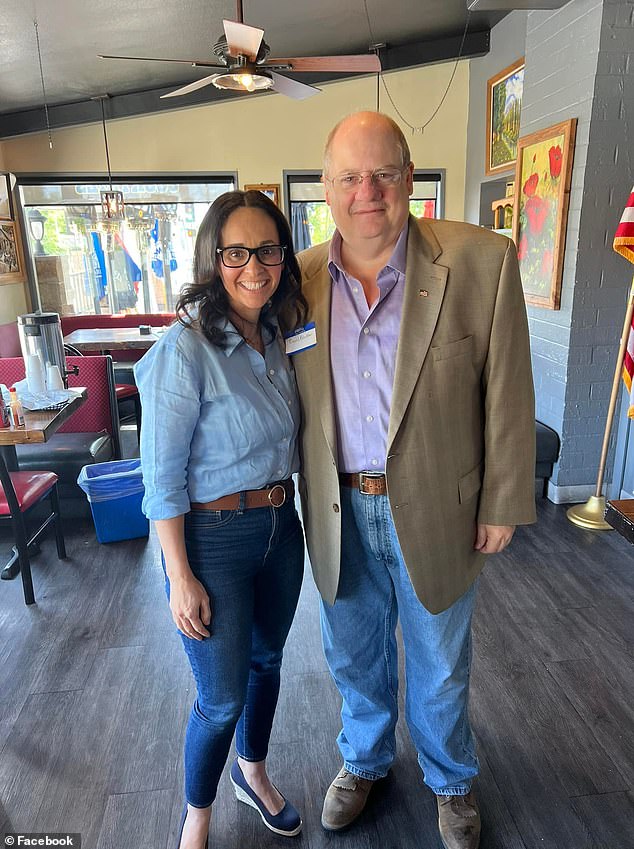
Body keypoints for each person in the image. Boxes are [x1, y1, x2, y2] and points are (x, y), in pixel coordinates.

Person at [292, 111, 536, 849]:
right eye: (349, 177)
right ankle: (363, 760)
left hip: (439, 504)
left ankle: (451, 778)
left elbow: (507, 390)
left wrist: (502, 500)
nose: (367, 191)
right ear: (326, 189)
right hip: (339, 505)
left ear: (408, 178)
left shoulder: (480, 259)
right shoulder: (295, 280)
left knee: (439, 660)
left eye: (384, 174)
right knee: (353, 652)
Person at [135, 190, 308, 849]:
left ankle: (253, 771)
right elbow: (160, 474)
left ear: (283, 257)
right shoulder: (186, 347)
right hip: (211, 540)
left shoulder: (282, 333)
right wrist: (178, 573)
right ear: (214, 259)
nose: (254, 266)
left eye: (267, 249)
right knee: (220, 697)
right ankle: (197, 815)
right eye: (236, 252)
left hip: (280, 529)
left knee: (267, 662)